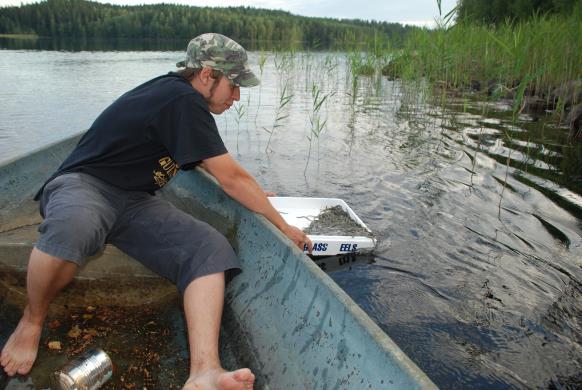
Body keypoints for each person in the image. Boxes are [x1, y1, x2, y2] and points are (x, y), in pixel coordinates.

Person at [0, 33, 313, 389]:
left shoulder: (181, 99)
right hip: (85, 185)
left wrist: (255, 193)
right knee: (76, 225)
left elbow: (209, 159)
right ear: (208, 75)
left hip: (134, 200)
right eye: (234, 85)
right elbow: (231, 178)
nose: (237, 97)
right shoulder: (182, 99)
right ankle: (32, 319)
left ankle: (205, 370)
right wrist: (282, 225)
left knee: (209, 248)